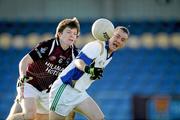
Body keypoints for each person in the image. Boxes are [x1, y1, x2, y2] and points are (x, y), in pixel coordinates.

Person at [49, 25, 129, 120]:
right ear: (110, 35)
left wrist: (93, 73)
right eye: (117, 36)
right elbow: (78, 62)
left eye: (123, 40)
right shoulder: (97, 46)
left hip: (79, 93)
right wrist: (89, 70)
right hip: (65, 89)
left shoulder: (109, 54)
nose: (119, 40)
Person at [7, 17, 80, 120]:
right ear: (59, 34)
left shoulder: (75, 54)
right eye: (68, 32)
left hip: (47, 91)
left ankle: (19, 103)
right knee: (30, 116)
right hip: (30, 84)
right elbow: (24, 62)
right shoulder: (48, 46)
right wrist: (22, 79)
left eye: (74, 33)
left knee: (54, 117)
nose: (72, 35)